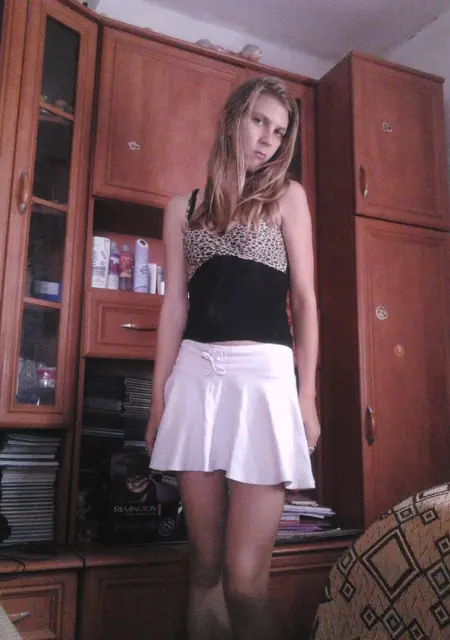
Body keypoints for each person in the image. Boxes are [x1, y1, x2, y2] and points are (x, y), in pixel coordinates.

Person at [145, 76, 320, 640]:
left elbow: (304, 300)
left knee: (245, 584)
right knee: (204, 568)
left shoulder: (287, 197)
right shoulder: (183, 208)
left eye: (280, 130)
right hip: (195, 376)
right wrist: (158, 401)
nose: (268, 138)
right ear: (233, 119)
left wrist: (307, 397)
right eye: (259, 121)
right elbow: (175, 307)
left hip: (264, 379)